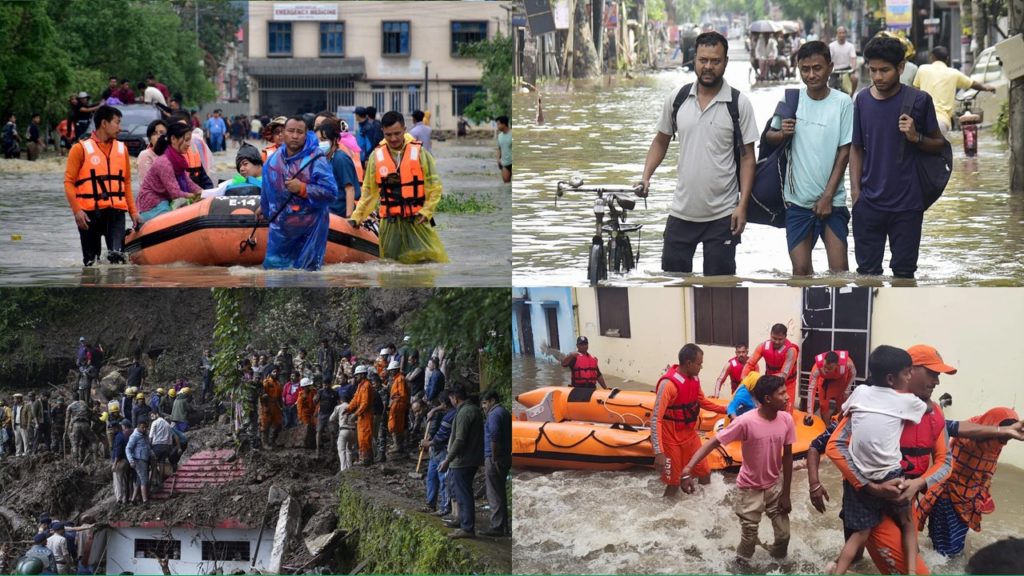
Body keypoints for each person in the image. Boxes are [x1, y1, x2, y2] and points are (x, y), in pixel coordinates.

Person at [823, 344, 959, 575]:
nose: (937, 382)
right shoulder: (872, 403)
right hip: (867, 490)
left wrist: (917, 484)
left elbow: (945, 462)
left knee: (904, 542)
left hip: (904, 492)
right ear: (909, 371)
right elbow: (833, 446)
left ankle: (839, 567)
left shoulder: (933, 412)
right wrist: (870, 486)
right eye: (932, 373)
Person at [637, 31, 758, 275]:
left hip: (723, 215)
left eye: (715, 61)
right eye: (703, 60)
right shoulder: (678, 99)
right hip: (682, 212)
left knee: (720, 288)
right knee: (673, 283)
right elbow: (661, 141)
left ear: (725, 62)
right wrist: (645, 176)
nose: (708, 67)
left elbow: (747, 158)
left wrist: (742, 206)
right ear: (694, 60)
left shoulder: (738, 104)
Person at [850, 36, 944, 279]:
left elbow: (939, 145)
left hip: (908, 206)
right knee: (867, 276)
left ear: (901, 68)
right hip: (868, 203)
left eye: (885, 70)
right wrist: (856, 194)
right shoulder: (861, 100)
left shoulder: (920, 101)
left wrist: (916, 137)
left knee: (904, 274)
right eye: (873, 70)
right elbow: (856, 148)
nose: (878, 77)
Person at [682, 374, 795, 562]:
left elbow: (789, 456)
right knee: (749, 538)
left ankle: (777, 565)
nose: (787, 397)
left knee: (784, 536)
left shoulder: (786, 420)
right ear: (767, 399)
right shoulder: (745, 422)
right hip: (749, 488)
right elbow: (713, 442)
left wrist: (786, 493)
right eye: (781, 393)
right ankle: (740, 566)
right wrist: (688, 468)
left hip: (774, 485)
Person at [764, 41, 853, 276]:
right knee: (801, 272)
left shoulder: (843, 103)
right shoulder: (791, 100)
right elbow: (769, 137)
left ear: (830, 67)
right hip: (797, 202)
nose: (811, 75)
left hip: (833, 201)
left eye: (817, 68)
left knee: (840, 273)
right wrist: (782, 132)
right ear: (798, 69)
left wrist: (827, 196)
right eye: (805, 69)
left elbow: (844, 153)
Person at [916, 407, 1022, 557]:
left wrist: (981, 493)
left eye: (1007, 439)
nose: (1004, 442)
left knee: (951, 548)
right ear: (994, 427)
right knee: (946, 554)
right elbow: (949, 427)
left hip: (967, 502)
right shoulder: (971, 439)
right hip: (948, 498)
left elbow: (987, 470)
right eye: (1003, 436)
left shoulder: (994, 443)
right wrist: (1002, 431)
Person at [349, 111, 449, 264]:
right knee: (390, 264)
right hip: (390, 222)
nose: (393, 138)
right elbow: (369, 193)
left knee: (429, 261)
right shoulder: (376, 157)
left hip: (417, 219)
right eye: (388, 134)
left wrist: (427, 210)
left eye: (397, 133)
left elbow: (434, 186)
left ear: (405, 129)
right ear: (382, 131)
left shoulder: (420, 153)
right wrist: (357, 217)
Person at [63, 105, 141, 265]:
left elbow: (125, 182)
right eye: (117, 123)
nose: (120, 128)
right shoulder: (80, 149)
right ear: (104, 123)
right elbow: (69, 182)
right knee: (91, 262)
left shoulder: (122, 149)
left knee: (118, 260)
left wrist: (133, 212)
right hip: (88, 215)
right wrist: (77, 211)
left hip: (116, 213)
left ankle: (117, 288)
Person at [260, 116, 338, 270]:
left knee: (307, 276)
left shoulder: (316, 159)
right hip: (281, 229)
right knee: (273, 273)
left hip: (310, 229)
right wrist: (263, 209)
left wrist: (303, 188)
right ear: (283, 133)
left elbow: (331, 193)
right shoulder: (272, 161)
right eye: (290, 131)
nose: (295, 136)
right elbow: (266, 191)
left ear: (306, 133)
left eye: (299, 132)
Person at [652, 344, 729, 497]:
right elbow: (656, 419)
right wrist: (658, 452)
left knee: (705, 473)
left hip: (690, 436)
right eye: (699, 363)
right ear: (689, 363)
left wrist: (727, 410)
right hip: (671, 439)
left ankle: (705, 507)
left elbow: (703, 402)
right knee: (673, 483)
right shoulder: (668, 385)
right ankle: (665, 517)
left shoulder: (694, 379)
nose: (701, 367)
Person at [914, 46, 997, 135]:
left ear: (932, 57)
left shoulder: (922, 69)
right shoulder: (954, 73)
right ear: (947, 59)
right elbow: (972, 83)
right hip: (941, 121)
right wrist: (985, 87)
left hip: (922, 120)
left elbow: (915, 90)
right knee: (940, 147)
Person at [439, 385, 484, 539]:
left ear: (455, 398)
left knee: (464, 493)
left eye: (451, 398)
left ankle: (467, 527)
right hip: (469, 458)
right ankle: (461, 519)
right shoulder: (473, 409)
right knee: (460, 492)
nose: (450, 401)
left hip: (463, 460)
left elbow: (459, 440)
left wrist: (447, 459)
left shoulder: (465, 412)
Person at [136, 121, 203, 222]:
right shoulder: (165, 162)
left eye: (190, 140)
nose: (189, 144)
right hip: (153, 206)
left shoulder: (177, 160)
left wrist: (204, 193)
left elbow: (189, 183)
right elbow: (175, 192)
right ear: (173, 139)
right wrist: (195, 196)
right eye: (186, 140)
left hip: (165, 202)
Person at [742, 324, 799, 413]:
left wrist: (761, 380)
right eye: (774, 338)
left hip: (787, 385)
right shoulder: (762, 346)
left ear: (785, 337)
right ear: (770, 335)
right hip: (769, 385)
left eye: (780, 339)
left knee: (786, 413)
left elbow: (783, 376)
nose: (776, 341)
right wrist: (744, 379)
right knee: (764, 410)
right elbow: (749, 363)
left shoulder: (791, 351)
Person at [481, 390, 511, 537]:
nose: (483, 407)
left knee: (494, 492)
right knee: (499, 490)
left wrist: (494, 458)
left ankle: (497, 526)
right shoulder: (504, 412)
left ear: (492, 400)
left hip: (495, 457)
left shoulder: (494, 415)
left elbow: (494, 437)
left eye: (485, 403)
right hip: (505, 456)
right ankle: (503, 525)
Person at [316, 119, 360, 217]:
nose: (320, 143)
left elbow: (349, 189)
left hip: (339, 214)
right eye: (318, 140)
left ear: (335, 140)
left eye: (324, 140)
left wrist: (349, 217)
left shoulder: (340, 158)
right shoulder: (325, 158)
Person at [806, 350, 857, 423]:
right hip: (825, 382)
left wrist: (847, 389)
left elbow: (853, 374)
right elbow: (811, 389)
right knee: (823, 405)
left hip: (840, 380)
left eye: (829, 368)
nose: (826, 370)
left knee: (842, 405)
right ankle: (826, 426)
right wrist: (809, 411)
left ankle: (839, 425)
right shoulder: (817, 368)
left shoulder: (847, 363)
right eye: (825, 367)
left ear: (837, 365)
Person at [346, 365, 375, 465]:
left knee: (365, 437)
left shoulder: (366, 386)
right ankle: (367, 458)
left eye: (357, 375)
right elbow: (355, 399)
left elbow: (365, 403)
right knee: (361, 437)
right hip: (362, 416)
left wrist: (355, 414)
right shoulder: (360, 386)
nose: (355, 377)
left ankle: (365, 459)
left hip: (366, 415)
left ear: (362, 375)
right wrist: (348, 408)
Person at [329, 387, 358, 472]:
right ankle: (349, 468)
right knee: (349, 450)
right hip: (353, 430)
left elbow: (331, 419)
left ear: (341, 399)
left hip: (344, 430)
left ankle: (343, 470)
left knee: (341, 450)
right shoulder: (352, 406)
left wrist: (338, 419)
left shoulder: (339, 407)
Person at [125, 420, 152, 504]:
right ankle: (145, 500)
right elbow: (128, 449)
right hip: (138, 460)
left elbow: (148, 446)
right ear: (138, 427)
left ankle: (133, 500)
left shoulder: (145, 435)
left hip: (144, 459)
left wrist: (152, 455)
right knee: (144, 479)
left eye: (145, 427)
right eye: (142, 427)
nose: (144, 429)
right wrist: (131, 461)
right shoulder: (134, 436)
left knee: (139, 480)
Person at [136, 119, 168, 187]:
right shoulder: (145, 155)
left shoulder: (172, 154)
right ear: (150, 139)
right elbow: (148, 184)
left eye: (162, 133)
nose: (159, 136)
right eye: (154, 134)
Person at [828, 27, 859, 94]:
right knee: (831, 89)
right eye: (840, 33)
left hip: (847, 69)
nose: (842, 35)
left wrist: (853, 68)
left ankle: (851, 94)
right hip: (835, 70)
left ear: (846, 34)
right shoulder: (831, 46)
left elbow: (853, 58)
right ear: (837, 34)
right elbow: (828, 58)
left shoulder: (850, 46)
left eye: (843, 33)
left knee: (855, 78)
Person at [315, 376, 339, 459]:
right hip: (321, 414)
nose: (325, 386)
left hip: (331, 414)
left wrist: (337, 413)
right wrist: (316, 398)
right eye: (324, 385)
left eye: (327, 385)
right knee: (319, 431)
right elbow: (315, 401)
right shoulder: (320, 392)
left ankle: (332, 449)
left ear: (330, 384)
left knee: (332, 432)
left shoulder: (334, 393)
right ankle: (317, 449)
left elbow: (338, 403)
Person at [261, 367, 284, 448]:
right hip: (267, 404)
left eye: (277, 372)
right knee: (265, 424)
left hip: (276, 405)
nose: (275, 373)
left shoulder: (278, 383)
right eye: (274, 372)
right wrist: (265, 406)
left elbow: (280, 397)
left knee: (277, 423)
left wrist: (281, 406)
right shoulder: (266, 382)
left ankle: (272, 441)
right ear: (270, 372)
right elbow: (262, 395)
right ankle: (265, 443)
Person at [64, 396, 90, 465]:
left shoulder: (70, 406)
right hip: (85, 424)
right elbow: (89, 412)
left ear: (72, 399)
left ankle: (76, 463)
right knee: (82, 442)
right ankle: (82, 460)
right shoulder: (84, 404)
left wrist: (65, 430)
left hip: (76, 425)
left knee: (75, 444)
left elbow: (67, 419)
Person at [109, 420, 129, 504]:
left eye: (112, 429)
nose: (111, 431)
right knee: (123, 480)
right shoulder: (122, 435)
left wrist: (114, 464)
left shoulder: (118, 437)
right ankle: (124, 498)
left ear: (116, 428)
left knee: (118, 481)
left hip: (120, 461)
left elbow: (118, 451)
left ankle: (119, 498)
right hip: (125, 460)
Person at [495, 115, 512, 183]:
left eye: (498, 124)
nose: (497, 126)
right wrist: (498, 160)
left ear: (504, 124)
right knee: (506, 183)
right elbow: (499, 149)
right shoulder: (499, 136)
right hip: (505, 163)